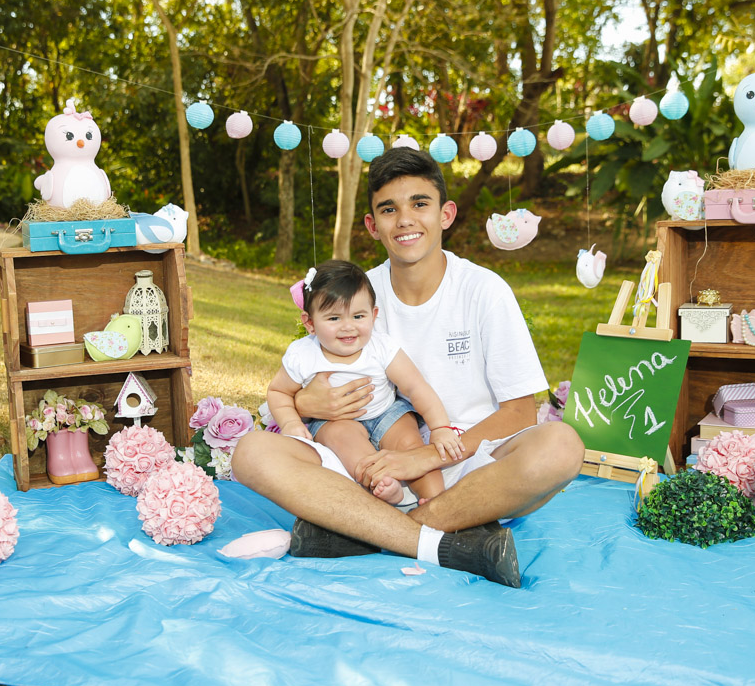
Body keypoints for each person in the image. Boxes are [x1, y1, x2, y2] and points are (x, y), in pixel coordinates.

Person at [232, 147, 584, 588]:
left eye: (420, 204)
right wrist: (305, 401)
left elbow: (519, 412)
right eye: (388, 209)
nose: (405, 220)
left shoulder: (484, 291)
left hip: (466, 467)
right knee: (250, 453)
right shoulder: (357, 295)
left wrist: (419, 459)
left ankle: (368, 531)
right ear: (372, 225)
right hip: (365, 465)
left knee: (561, 446)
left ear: (446, 214)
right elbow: (300, 376)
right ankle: (438, 541)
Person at [267, 259, 465, 506]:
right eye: (334, 318)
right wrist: (290, 423)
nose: (348, 327)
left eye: (358, 316)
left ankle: (436, 500)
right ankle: (384, 490)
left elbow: (416, 386)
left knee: (410, 445)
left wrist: (440, 427)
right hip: (336, 421)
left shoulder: (381, 347)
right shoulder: (303, 355)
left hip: (387, 413)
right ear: (310, 323)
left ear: (373, 315)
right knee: (351, 450)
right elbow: (278, 391)